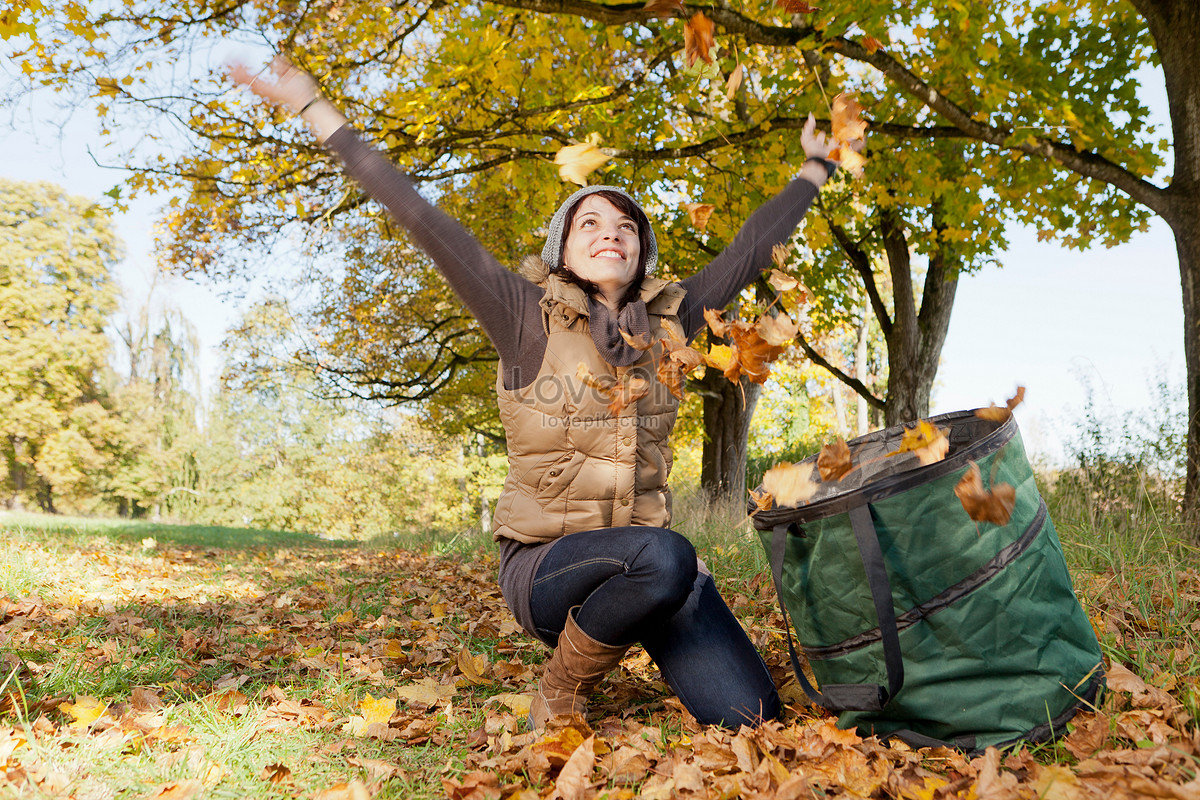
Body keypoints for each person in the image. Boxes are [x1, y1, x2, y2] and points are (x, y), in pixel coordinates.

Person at [230, 55, 849, 730]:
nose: (610, 232)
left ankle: (654, 605)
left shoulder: (672, 321)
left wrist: (815, 166)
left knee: (752, 716)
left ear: (641, 251)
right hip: (546, 568)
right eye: (589, 223)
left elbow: (749, 251)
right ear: (560, 253)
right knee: (668, 554)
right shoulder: (523, 315)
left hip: (647, 565)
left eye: (624, 226)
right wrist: (314, 106)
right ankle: (559, 691)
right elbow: (418, 213)